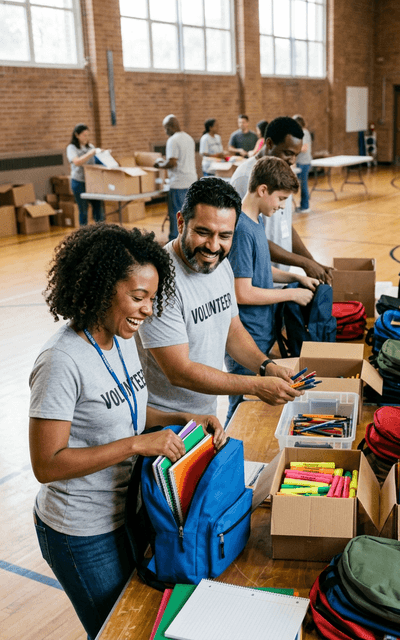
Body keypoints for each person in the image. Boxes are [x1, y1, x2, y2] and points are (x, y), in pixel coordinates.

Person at [29, 224, 225, 640]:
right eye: (138, 298)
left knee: (142, 618)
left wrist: (180, 420)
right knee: (120, 631)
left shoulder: (120, 339)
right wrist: (137, 444)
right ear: (101, 290)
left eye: (153, 299)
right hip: (79, 531)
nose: (148, 311)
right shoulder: (61, 360)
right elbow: (47, 464)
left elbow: (126, 409)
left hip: (125, 510)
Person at [136, 177, 301, 424]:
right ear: (181, 222)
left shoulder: (220, 265)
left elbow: (232, 330)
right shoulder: (159, 281)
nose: (213, 246)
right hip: (163, 422)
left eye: (225, 235)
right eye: (203, 233)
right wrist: (255, 385)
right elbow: (180, 371)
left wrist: (266, 366)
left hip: (204, 413)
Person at [225, 156, 319, 423]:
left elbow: (262, 271)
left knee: (256, 407)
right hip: (245, 337)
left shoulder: (257, 222)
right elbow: (243, 291)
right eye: (280, 199)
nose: (280, 207)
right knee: (242, 410)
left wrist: (294, 276)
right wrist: (291, 293)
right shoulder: (242, 229)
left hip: (261, 334)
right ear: (262, 190)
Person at [231, 116, 333, 283]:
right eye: (288, 153)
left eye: (296, 155)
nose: (292, 161)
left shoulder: (282, 173)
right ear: (269, 144)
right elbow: (251, 238)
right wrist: (303, 263)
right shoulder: (245, 178)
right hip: (256, 278)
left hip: (280, 276)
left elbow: (286, 226)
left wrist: (313, 263)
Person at [154, 114, 197, 242]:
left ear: (171, 127)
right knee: (188, 215)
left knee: (176, 216)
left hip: (178, 183)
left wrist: (160, 164)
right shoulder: (188, 138)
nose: (165, 132)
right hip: (191, 181)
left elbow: (172, 162)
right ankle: (188, 240)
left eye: (166, 128)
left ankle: (174, 242)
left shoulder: (173, 140)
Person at [66, 123, 104, 226]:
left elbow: (95, 162)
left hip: (91, 181)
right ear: (77, 135)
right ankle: (83, 234)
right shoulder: (71, 148)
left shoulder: (90, 147)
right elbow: (77, 162)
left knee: (98, 209)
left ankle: (101, 231)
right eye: (84, 135)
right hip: (79, 181)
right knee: (83, 210)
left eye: (87, 135)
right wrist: (91, 153)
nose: (86, 137)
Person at [293, 114, 312, 212]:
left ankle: (305, 206)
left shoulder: (304, 132)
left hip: (304, 162)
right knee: (302, 184)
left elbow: (304, 148)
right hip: (301, 162)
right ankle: (303, 205)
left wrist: (292, 149)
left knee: (304, 184)